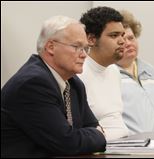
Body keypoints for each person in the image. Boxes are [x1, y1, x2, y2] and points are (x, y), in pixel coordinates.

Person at [1, 16, 106, 158]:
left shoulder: (74, 83)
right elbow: (67, 143)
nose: (84, 55)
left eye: (85, 48)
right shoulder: (32, 84)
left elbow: (91, 127)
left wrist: (93, 135)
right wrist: (97, 135)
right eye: (77, 47)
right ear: (51, 47)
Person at [78, 6, 129, 141]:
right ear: (91, 39)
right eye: (114, 35)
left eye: (122, 35)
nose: (122, 41)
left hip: (125, 144)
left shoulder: (114, 71)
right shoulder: (77, 73)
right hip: (98, 147)